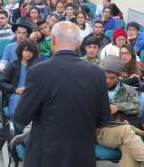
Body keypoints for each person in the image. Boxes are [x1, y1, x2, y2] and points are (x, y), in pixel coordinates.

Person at [14, 21, 111, 167]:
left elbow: (21, 116)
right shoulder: (96, 73)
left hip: (46, 154)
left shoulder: (38, 71)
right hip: (82, 155)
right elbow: (104, 119)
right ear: (79, 43)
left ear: (53, 39)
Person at [97, 55, 144, 167]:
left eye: (112, 78)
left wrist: (118, 107)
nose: (107, 81)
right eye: (105, 77)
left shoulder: (128, 90)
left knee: (129, 147)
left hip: (127, 127)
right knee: (128, 132)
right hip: (103, 130)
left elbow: (137, 108)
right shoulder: (95, 89)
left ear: (119, 76)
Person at [0, 39, 39, 120]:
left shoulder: (37, 66)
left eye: (31, 51)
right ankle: (21, 128)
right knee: (17, 112)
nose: (28, 53)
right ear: (21, 50)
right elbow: (0, 83)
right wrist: (15, 90)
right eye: (26, 50)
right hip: (16, 95)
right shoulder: (12, 65)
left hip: (32, 95)